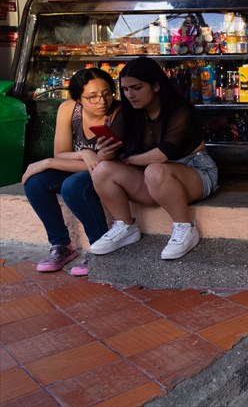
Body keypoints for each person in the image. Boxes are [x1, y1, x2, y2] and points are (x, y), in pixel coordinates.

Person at [90, 56, 219, 260]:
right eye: (125, 89)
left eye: (136, 88)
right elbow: (110, 154)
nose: (129, 95)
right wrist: (105, 152)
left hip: (195, 171)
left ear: (156, 86)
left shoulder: (179, 109)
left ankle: (185, 229)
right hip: (154, 180)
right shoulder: (128, 112)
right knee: (102, 170)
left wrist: (127, 161)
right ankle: (125, 227)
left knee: (155, 169)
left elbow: (162, 155)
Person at [20, 68, 122, 276]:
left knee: (74, 185)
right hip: (86, 167)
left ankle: (100, 248)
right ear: (78, 99)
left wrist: (48, 162)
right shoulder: (69, 109)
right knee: (36, 182)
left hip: (111, 172)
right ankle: (61, 246)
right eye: (91, 97)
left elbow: (103, 164)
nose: (101, 101)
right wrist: (83, 153)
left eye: (106, 94)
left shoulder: (119, 113)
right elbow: (61, 153)